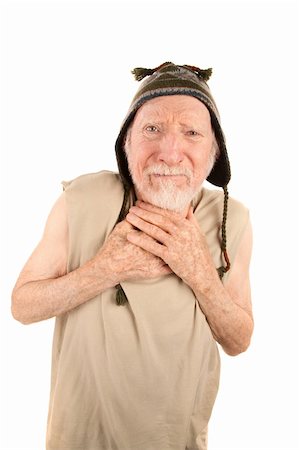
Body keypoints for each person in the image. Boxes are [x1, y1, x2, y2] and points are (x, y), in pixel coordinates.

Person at [11, 62, 254, 450]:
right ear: (127, 143)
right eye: (152, 130)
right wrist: (106, 268)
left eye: (191, 132)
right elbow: (22, 305)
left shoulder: (231, 220)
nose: (170, 153)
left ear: (214, 150)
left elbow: (239, 340)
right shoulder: (83, 200)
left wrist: (200, 272)